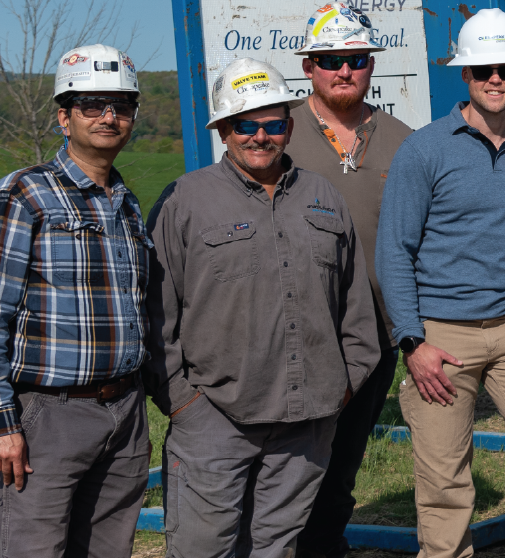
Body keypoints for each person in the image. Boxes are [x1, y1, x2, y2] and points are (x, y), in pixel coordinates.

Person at [146, 57, 381, 558]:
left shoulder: (324, 197)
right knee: (201, 548)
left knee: (276, 548)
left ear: (289, 128)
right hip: (213, 418)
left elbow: (356, 308)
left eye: (273, 124)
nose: (260, 136)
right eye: (245, 125)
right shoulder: (184, 202)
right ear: (224, 131)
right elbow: (155, 315)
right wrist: (184, 404)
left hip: (307, 421)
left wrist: (340, 388)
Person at [377, 8, 505, 558]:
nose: (495, 78)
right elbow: (393, 251)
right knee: (445, 484)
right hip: (442, 338)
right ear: (464, 76)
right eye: (482, 69)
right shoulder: (423, 150)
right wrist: (412, 341)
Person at [0, 43, 151, 558]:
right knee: (33, 548)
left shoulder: (126, 203)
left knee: (109, 549)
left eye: (122, 105)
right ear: (64, 117)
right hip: (51, 414)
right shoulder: (23, 194)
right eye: (92, 104)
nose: (109, 116)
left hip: (124, 411)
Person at [287, 2, 418, 558]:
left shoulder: (405, 140)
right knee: (290, 462)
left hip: (375, 334)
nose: (344, 70)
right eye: (330, 60)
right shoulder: (277, 131)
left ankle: (325, 547)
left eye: (356, 59)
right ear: (308, 66)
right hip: (296, 331)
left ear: (371, 65)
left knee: (343, 463)